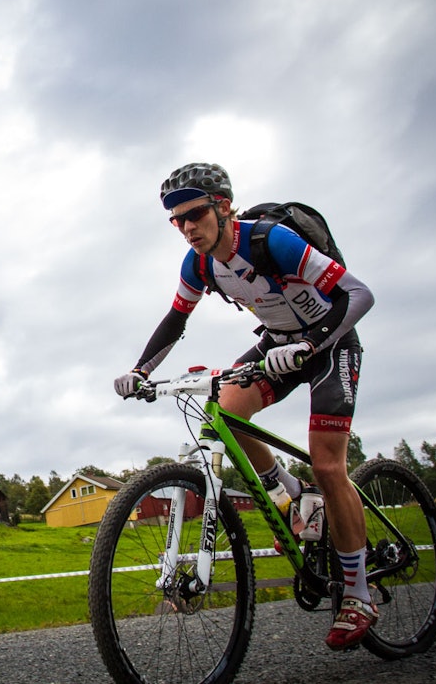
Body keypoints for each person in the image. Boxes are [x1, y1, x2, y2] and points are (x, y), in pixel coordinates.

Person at [114, 162, 376, 650]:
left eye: (194, 214)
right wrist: (140, 371)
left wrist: (313, 343)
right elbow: (175, 320)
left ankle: (358, 592)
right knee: (225, 411)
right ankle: (293, 498)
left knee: (327, 462)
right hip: (277, 344)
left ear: (223, 206)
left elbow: (358, 294)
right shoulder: (198, 265)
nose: (188, 228)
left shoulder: (272, 242)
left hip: (331, 343)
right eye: (177, 220)